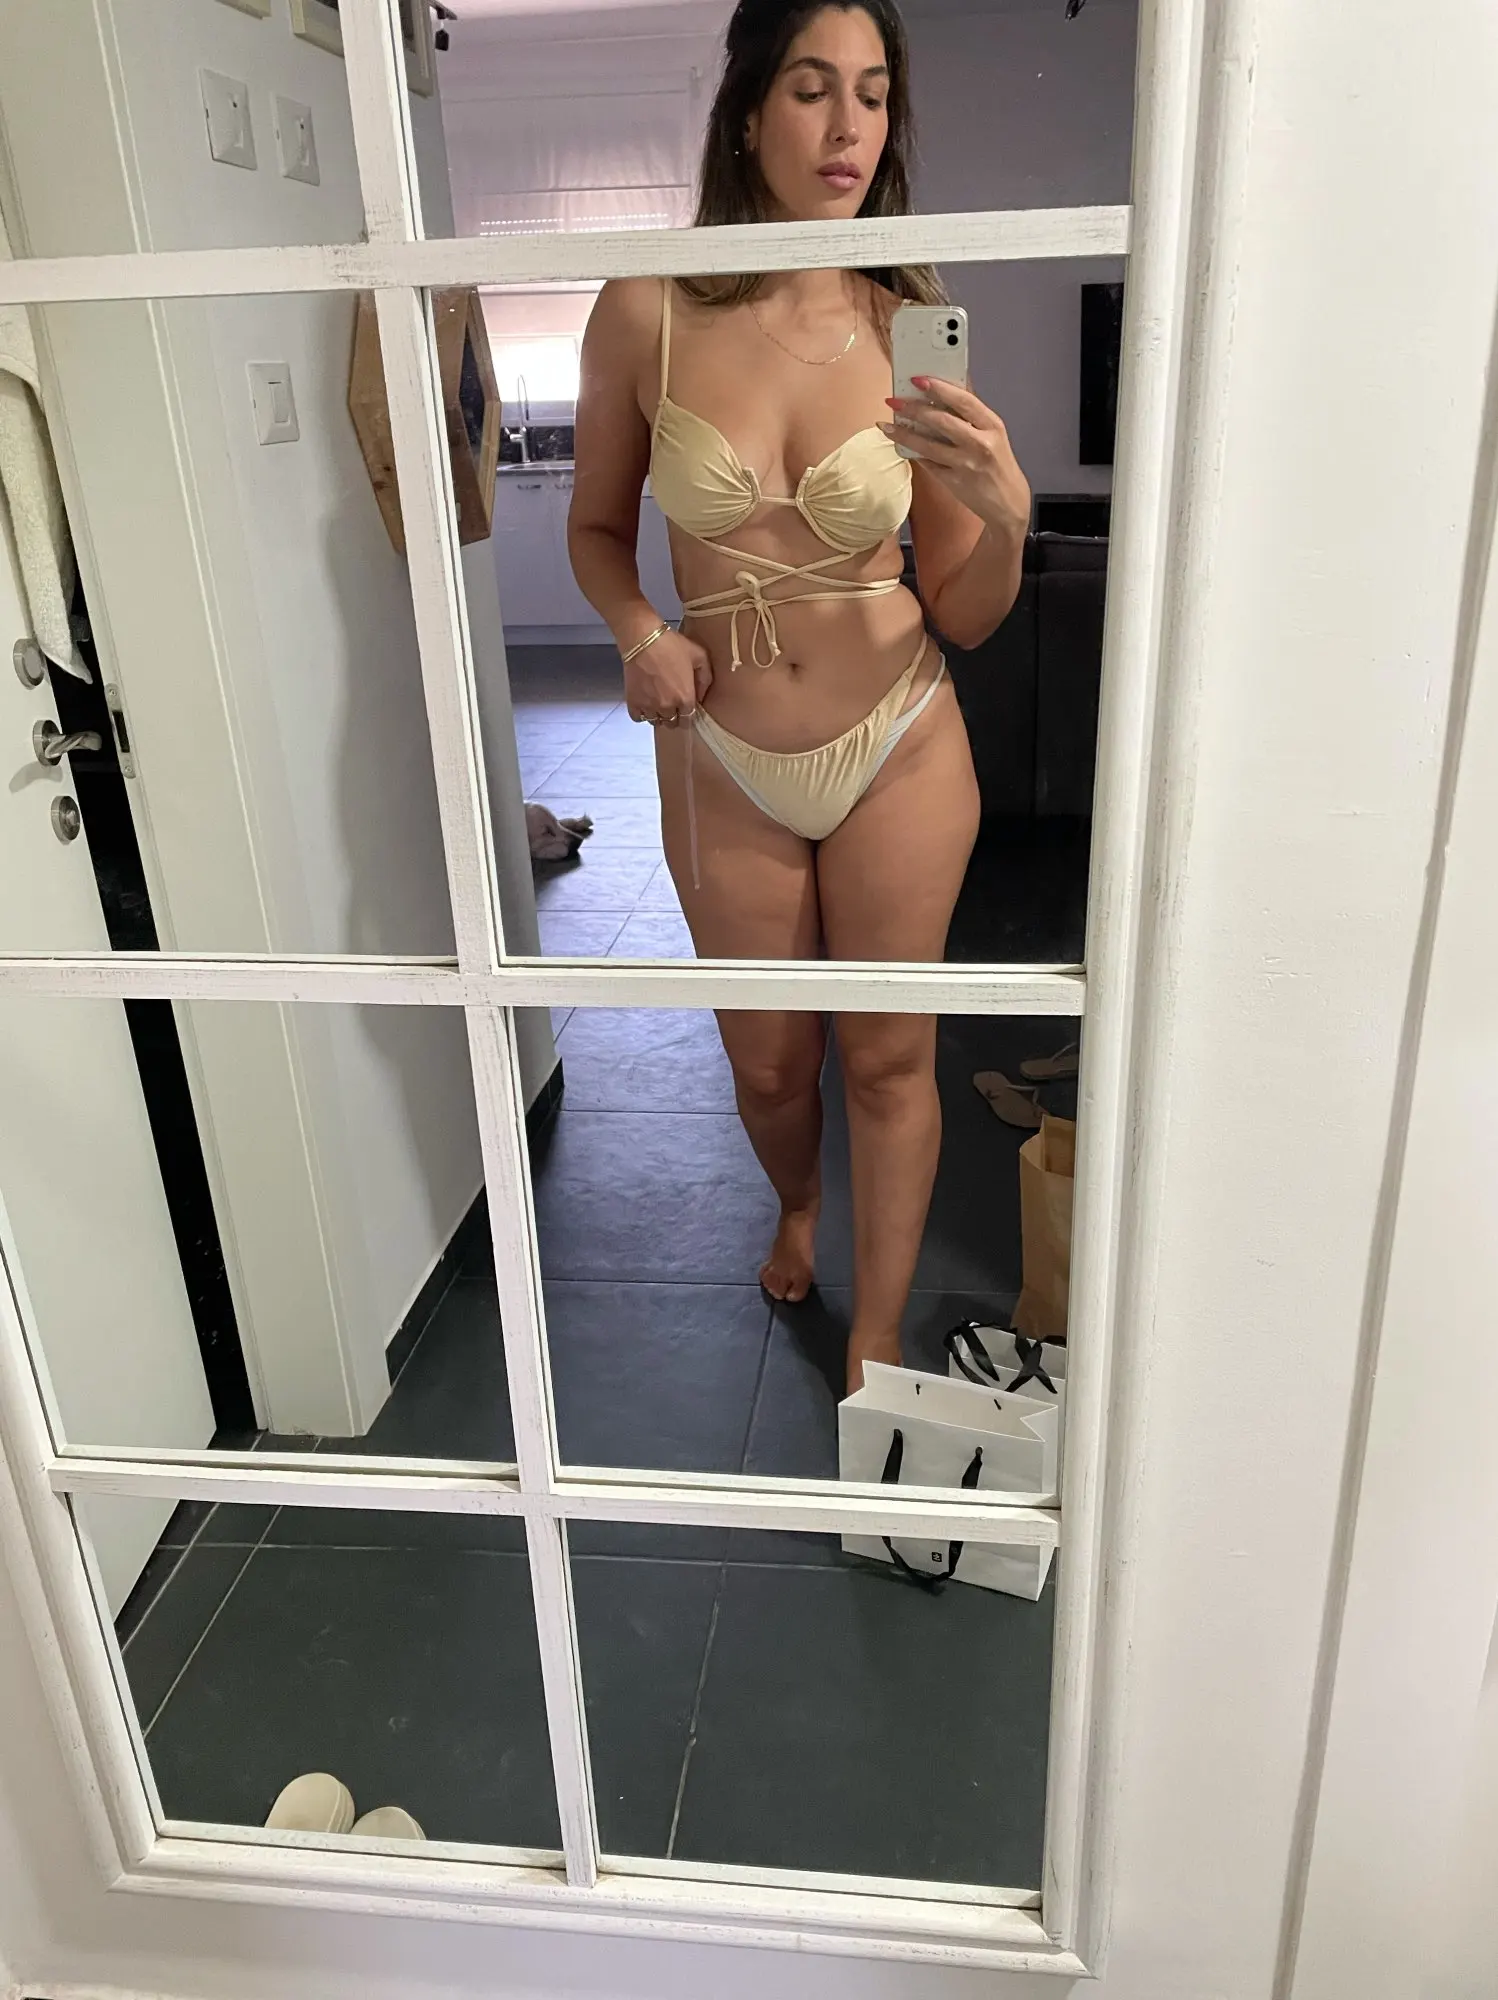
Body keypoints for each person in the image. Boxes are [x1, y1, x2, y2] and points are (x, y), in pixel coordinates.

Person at [568, 0, 1030, 1394]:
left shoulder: (913, 320)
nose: (848, 129)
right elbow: (595, 530)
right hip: (719, 749)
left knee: (889, 1061)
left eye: (874, 96)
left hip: (900, 736)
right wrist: (640, 629)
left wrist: (1006, 516)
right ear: (748, 111)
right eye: (815, 88)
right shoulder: (645, 309)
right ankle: (799, 1204)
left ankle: (876, 1330)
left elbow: (965, 606)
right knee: (770, 1067)